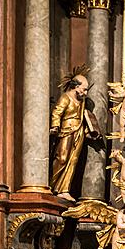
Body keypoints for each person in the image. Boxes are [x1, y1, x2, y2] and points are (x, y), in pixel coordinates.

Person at [50, 68, 99, 201]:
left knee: (73, 161)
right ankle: (52, 185)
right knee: (62, 158)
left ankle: (64, 189)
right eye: (84, 89)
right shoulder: (65, 98)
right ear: (76, 87)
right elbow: (57, 112)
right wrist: (55, 125)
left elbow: (84, 116)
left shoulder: (81, 101)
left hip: (79, 132)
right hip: (66, 130)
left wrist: (89, 130)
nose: (86, 92)